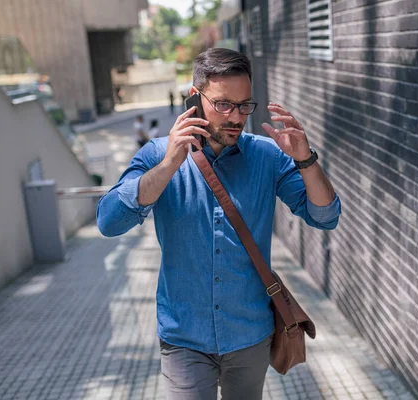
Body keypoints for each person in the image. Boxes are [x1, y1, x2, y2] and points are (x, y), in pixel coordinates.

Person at [96, 48, 341, 400]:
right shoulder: (156, 154)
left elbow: (325, 215)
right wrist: (168, 166)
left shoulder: (267, 155)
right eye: (224, 104)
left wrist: (306, 160)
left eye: (244, 105)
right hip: (185, 339)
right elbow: (108, 221)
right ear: (195, 98)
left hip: (250, 335)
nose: (236, 117)